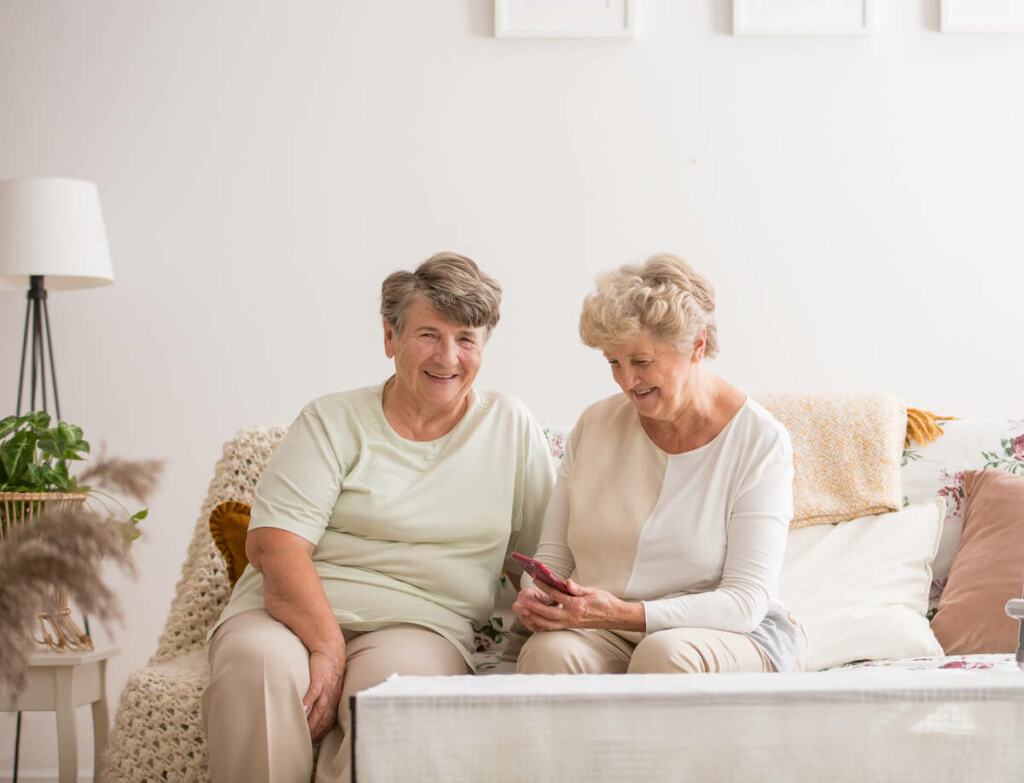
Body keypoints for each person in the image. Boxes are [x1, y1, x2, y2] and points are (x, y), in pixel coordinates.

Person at [202, 252, 554, 783]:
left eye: (466, 338)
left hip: (422, 623)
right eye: (428, 334)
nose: (448, 356)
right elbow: (276, 545)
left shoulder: (509, 425)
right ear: (390, 338)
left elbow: (541, 555)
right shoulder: (332, 419)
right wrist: (326, 645)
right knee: (258, 670)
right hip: (286, 614)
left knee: (397, 697)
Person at [513, 253, 805, 676]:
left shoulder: (759, 440)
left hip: (724, 633)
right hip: (602, 628)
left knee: (665, 656)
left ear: (697, 346)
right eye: (614, 362)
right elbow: (553, 558)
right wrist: (537, 595)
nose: (627, 381)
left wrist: (626, 614)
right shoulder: (595, 425)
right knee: (549, 654)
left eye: (642, 362)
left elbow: (744, 602)